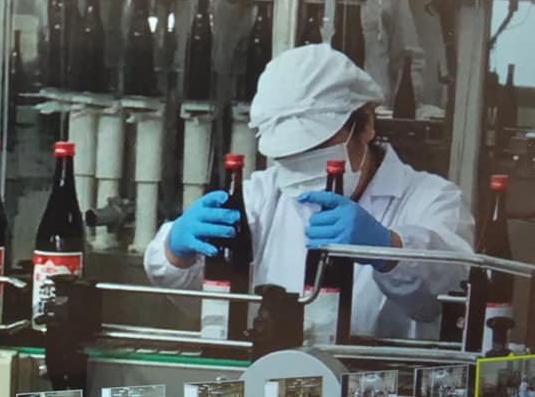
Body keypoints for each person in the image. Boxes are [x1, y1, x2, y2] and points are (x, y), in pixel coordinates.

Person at [144, 44, 475, 339]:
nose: (302, 169)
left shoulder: (432, 199)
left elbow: (451, 294)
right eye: (290, 156)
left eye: (316, 149)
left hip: (377, 378)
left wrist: (389, 248)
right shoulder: (262, 194)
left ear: (365, 124)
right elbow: (207, 297)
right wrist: (176, 251)